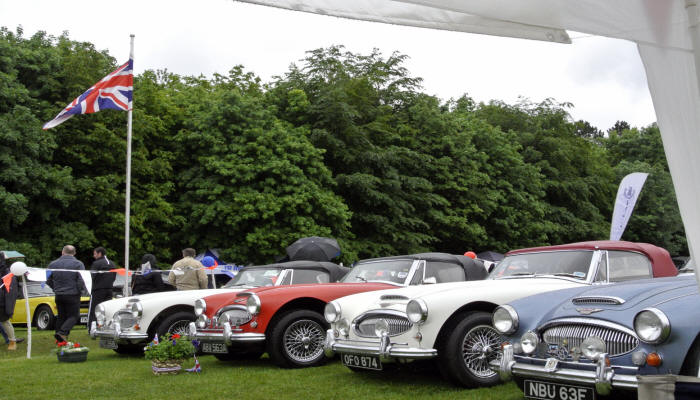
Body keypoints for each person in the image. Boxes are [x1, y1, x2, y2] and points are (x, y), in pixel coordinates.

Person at [47, 245, 86, 342]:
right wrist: (78, 290)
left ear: (62, 252)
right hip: (72, 294)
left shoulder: (53, 264)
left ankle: (59, 339)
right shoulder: (78, 264)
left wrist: (55, 288)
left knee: (61, 316)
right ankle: (62, 333)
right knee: (74, 316)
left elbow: (47, 279)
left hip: (59, 294)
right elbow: (81, 279)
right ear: (74, 253)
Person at [87, 246, 116, 329]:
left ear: (99, 254)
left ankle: (91, 327)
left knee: (94, 309)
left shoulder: (96, 264)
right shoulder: (112, 263)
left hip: (97, 290)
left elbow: (92, 276)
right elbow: (114, 277)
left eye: (95, 254)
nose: (94, 256)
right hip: (109, 289)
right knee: (107, 309)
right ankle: (106, 327)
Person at [0, 252, 21, 350]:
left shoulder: (6, 272)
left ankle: (12, 341)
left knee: (5, 321)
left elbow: (11, 289)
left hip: (2, 301)